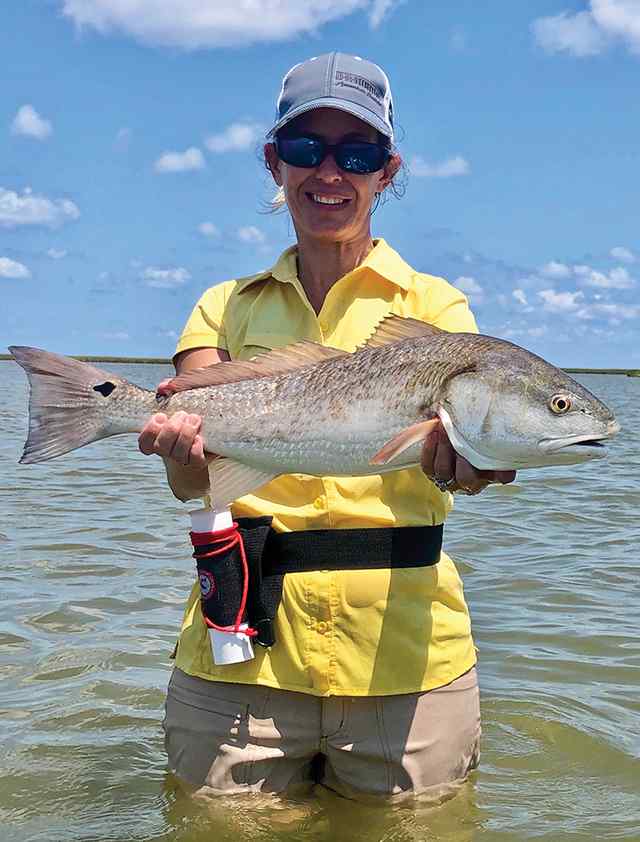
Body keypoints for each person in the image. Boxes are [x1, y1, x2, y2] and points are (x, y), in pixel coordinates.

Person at [138, 52, 515, 802]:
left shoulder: (437, 310)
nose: (330, 172)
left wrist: (469, 466)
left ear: (388, 169)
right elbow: (195, 483)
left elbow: (466, 469)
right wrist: (176, 451)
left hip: (406, 659)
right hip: (241, 652)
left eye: (359, 152)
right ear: (275, 163)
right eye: (307, 150)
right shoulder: (223, 307)